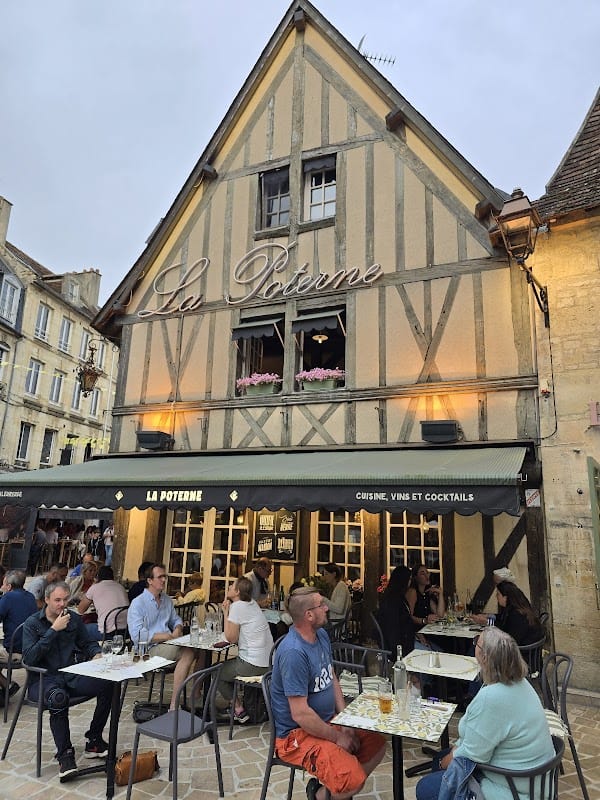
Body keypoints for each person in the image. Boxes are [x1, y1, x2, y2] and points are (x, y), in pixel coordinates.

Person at [271, 586, 386, 800]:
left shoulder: (321, 635)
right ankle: (326, 793)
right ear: (309, 615)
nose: (326, 608)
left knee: (376, 744)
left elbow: (331, 676)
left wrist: (345, 720)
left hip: (328, 721)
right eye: (321, 604)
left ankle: (330, 791)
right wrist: (337, 737)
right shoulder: (293, 652)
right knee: (353, 780)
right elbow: (301, 714)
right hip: (296, 736)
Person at [415, 627, 554, 800]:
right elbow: (476, 739)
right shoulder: (521, 683)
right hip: (533, 779)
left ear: (485, 657)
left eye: (476, 643)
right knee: (441, 759)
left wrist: (446, 763)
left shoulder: (493, 697)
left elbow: (473, 753)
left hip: (515, 789)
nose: (474, 646)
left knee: (426, 787)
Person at [21, 581, 113, 782]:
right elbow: (29, 658)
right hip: (43, 680)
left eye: (65, 599)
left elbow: (87, 643)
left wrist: (96, 653)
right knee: (58, 698)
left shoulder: (73, 619)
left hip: (71, 675)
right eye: (57, 600)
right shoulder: (32, 623)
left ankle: (94, 739)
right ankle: (65, 756)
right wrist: (53, 630)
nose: (62, 604)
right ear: (46, 600)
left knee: (110, 682)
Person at [127, 563, 199, 710]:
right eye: (160, 577)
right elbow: (136, 636)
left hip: (168, 645)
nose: (164, 580)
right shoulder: (138, 603)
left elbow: (176, 619)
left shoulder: (166, 600)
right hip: (147, 650)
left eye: (164, 576)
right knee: (188, 652)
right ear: (149, 580)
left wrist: (178, 628)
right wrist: (165, 636)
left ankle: (196, 695)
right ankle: (174, 705)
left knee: (201, 650)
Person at [217, 576, 273, 723]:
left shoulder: (237, 607)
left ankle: (238, 710)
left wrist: (225, 612)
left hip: (253, 664)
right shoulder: (252, 603)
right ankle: (236, 705)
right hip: (269, 662)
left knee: (216, 672)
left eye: (232, 585)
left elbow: (231, 638)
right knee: (226, 667)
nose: (229, 586)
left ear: (237, 592)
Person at [0, 569, 38, 701]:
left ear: (9, 586)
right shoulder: (30, 596)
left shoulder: (7, 598)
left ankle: (7, 685)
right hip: (31, 647)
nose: (2, 586)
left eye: (4, 584)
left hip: (15, 651)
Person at [78, 565, 129, 641]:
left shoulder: (95, 587)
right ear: (112, 576)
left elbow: (80, 610)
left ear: (97, 577)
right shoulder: (121, 587)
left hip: (107, 633)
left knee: (80, 629)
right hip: (126, 632)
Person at [376, 565, 414, 658]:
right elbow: (392, 630)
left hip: (406, 640)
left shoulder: (398, 597)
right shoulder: (393, 601)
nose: (410, 582)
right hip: (400, 648)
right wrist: (399, 654)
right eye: (409, 579)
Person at [492, 581, 544, 646]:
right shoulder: (521, 607)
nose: (496, 597)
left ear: (505, 597)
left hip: (522, 650)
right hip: (528, 647)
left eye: (498, 594)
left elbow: (511, 640)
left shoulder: (516, 615)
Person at [406, 564, 445, 630]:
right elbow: (408, 616)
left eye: (427, 573)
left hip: (428, 629)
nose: (426, 576)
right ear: (415, 577)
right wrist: (424, 620)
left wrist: (440, 594)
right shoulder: (413, 592)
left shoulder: (426, 592)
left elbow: (440, 615)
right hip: (417, 631)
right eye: (422, 574)